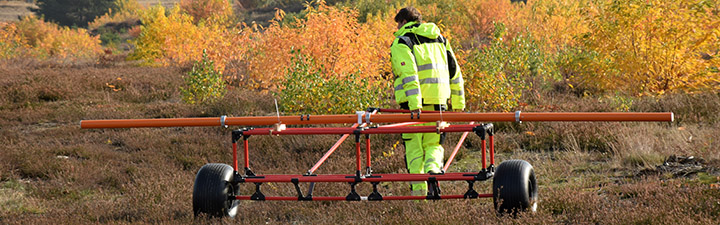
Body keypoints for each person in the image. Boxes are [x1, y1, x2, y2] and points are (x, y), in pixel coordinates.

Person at [390, 7, 465, 196]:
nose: (397, 27)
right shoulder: (440, 40)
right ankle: (434, 174)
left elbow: (409, 75)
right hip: (439, 103)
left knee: (414, 150)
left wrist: (415, 106)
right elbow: (455, 73)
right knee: (434, 145)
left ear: (403, 22)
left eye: (397, 23)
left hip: (413, 107)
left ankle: (419, 196)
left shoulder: (402, 42)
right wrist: (458, 105)